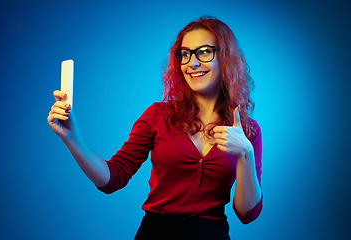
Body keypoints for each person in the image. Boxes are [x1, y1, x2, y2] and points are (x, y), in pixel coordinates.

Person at [47, 16, 263, 240]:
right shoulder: (158, 115)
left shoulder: (248, 131)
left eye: (204, 51)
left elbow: (247, 214)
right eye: (185, 54)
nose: (193, 62)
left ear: (225, 58)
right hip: (156, 233)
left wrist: (245, 153)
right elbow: (113, 178)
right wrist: (71, 138)